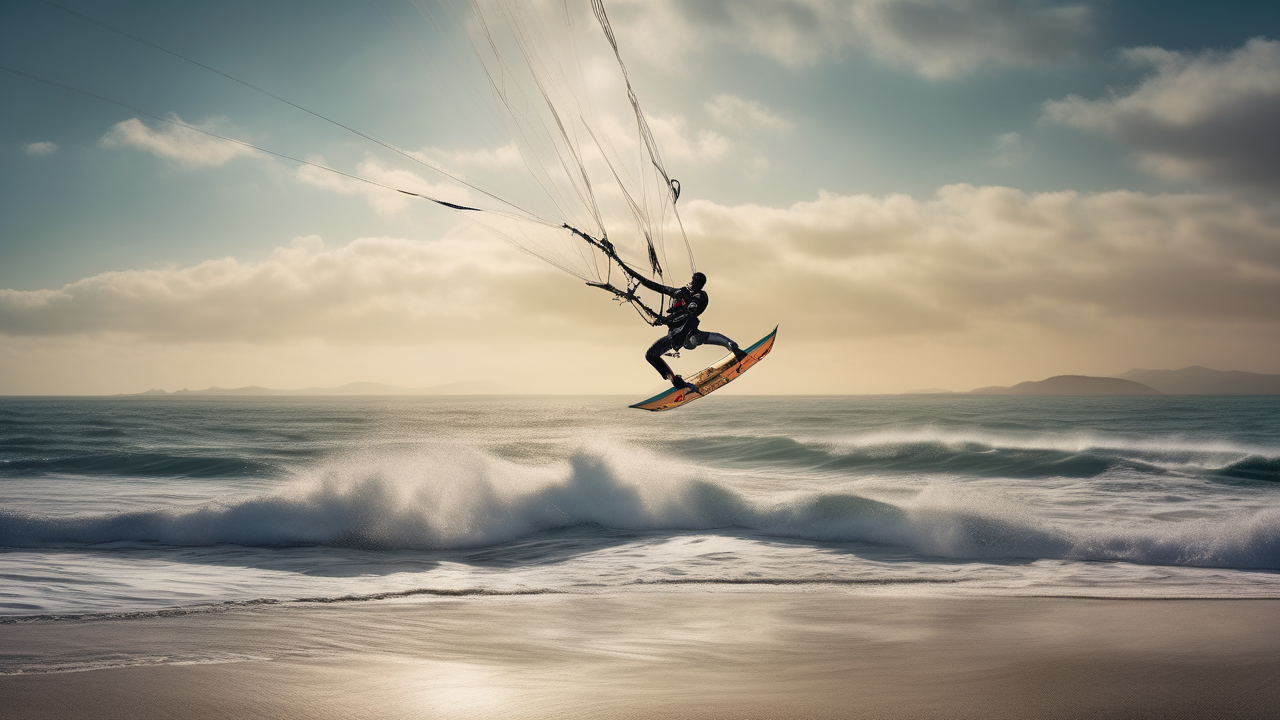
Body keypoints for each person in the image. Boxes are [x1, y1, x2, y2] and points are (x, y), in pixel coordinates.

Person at [615, 262, 748, 392]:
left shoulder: (697, 297)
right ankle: (731, 346)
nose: (691, 283)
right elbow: (657, 287)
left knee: (653, 354)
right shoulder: (684, 293)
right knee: (654, 354)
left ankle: (675, 380)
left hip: (681, 335)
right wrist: (635, 275)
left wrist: (670, 317)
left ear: (697, 284)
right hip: (683, 335)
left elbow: (690, 307)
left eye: (693, 281)